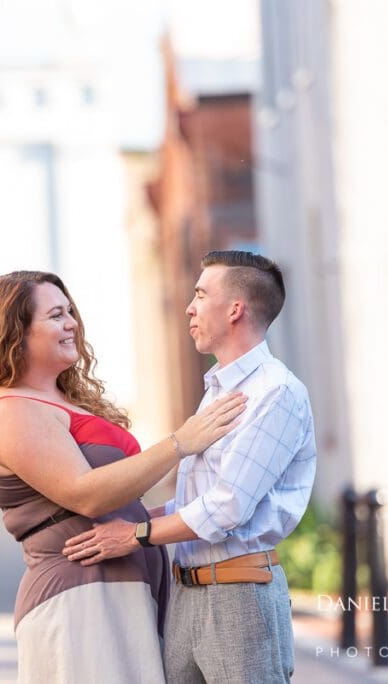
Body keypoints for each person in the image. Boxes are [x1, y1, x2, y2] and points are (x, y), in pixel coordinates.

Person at [0, 270, 247, 684]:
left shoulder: (60, 401)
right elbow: (84, 495)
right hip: (80, 599)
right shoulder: (13, 411)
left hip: (119, 592)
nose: (71, 324)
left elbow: (117, 497)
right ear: (17, 331)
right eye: (55, 316)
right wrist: (181, 442)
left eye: (70, 312)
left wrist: (162, 520)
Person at [63, 251, 317, 683]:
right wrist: (130, 519)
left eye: (201, 294)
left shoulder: (276, 392)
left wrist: (134, 535)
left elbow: (226, 507)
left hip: (238, 594)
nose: (190, 307)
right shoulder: (219, 389)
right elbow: (194, 501)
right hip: (187, 592)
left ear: (235, 309)